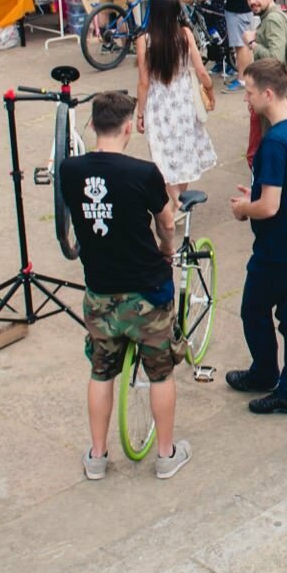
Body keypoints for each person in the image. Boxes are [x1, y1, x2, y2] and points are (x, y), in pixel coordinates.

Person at [58, 90, 189, 481]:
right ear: (129, 127)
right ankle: (165, 454)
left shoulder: (69, 170)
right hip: (146, 291)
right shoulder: (143, 173)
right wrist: (168, 249)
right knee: (160, 373)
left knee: (101, 372)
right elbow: (166, 222)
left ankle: (97, 455)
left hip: (100, 290)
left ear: (94, 125)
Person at [227, 58, 287, 415]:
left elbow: (268, 206)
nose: (246, 99)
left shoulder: (274, 143)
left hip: (277, 246)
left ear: (268, 93)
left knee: (255, 311)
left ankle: (275, 380)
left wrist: (243, 208)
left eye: (249, 92)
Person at [134, 0, 217, 201]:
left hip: (157, 104)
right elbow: (201, 71)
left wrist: (140, 113)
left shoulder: (144, 40)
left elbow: (143, 82)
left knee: (162, 156)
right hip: (183, 102)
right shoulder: (185, 35)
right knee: (184, 152)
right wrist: (210, 91)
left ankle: (176, 204)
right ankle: (179, 202)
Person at [245, 0, 287, 168]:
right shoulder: (276, 16)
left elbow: (275, 60)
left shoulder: (273, 20)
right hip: (280, 95)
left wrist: (253, 44)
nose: (252, 1)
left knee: (271, 155)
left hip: (276, 97)